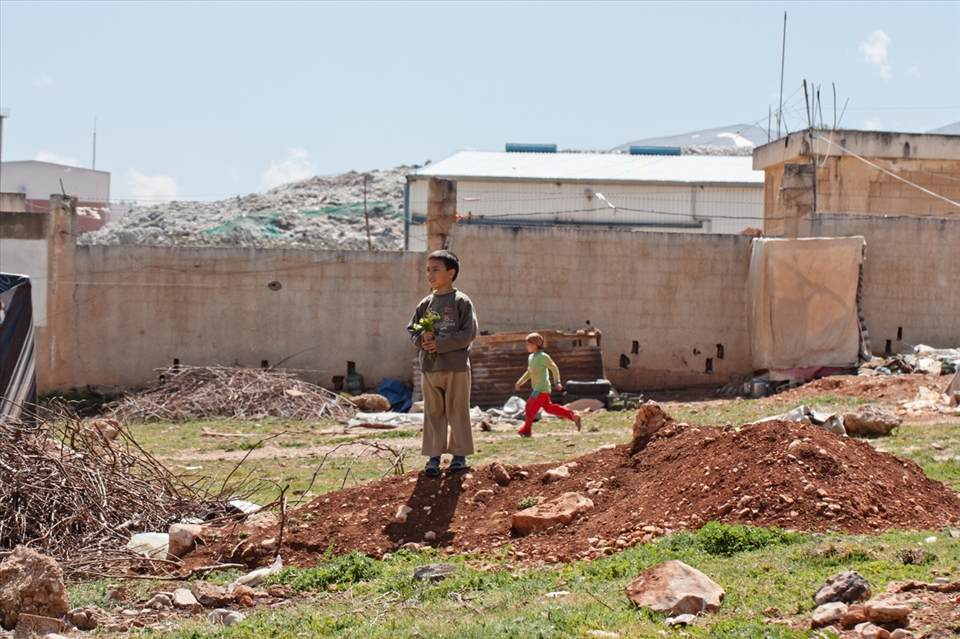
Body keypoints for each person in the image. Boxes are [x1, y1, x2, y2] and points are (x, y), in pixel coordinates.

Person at [407, 250, 479, 477]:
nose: (430, 274)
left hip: (456, 367)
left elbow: (468, 333)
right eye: (428, 270)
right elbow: (412, 331)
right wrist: (422, 340)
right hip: (429, 368)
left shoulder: (461, 301)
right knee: (433, 412)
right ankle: (433, 457)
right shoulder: (425, 304)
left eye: (435, 269)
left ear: (451, 273)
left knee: (457, 410)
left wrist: (441, 344)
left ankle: (459, 455)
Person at [514, 332, 581, 437]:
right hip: (538, 387)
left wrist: (557, 382)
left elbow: (554, 368)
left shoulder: (543, 356)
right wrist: (520, 382)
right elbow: (529, 372)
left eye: (528, 344)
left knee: (529, 407)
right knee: (549, 408)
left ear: (535, 345)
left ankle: (526, 431)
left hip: (541, 388)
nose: (526, 346)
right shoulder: (531, 357)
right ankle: (573, 416)